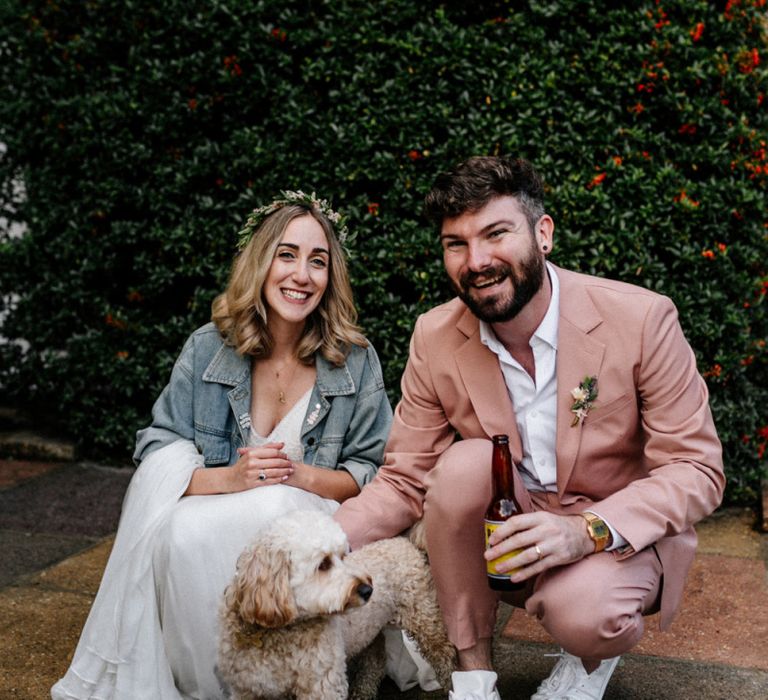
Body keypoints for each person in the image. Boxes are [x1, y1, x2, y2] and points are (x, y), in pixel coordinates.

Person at [334, 156, 725, 700]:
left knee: (586, 614)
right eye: (456, 244)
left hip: (614, 537)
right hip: (510, 537)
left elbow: (697, 470)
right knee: (463, 465)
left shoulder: (642, 319)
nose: (477, 261)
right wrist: (322, 542)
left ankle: (588, 661)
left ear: (543, 234)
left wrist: (582, 530)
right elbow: (405, 477)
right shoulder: (435, 335)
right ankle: (472, 678)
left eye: (496, 233)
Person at [51, 191, 393, 699]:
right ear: (260, 262)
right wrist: (230, 478)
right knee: (176, 532)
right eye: (287, 254)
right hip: (217, 508)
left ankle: (291, 668)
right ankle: (203, 684)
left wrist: (297, 475)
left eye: (317, 261)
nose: (302, 274)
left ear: (331, 277)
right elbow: (157, 447)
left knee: (275, 505)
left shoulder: (355, 360)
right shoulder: (207, 348)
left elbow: (371, 469)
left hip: (311, 519)